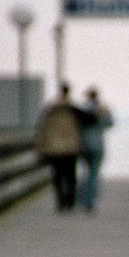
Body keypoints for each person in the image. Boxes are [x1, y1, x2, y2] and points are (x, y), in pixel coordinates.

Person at [36, 83, 84, 211]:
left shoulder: (50, 109)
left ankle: (60, 202)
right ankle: (70, 202)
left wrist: (41, 149)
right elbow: (87, 124)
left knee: (57, 176)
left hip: (54, 148)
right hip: (70, 148)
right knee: (71, 176)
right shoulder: (73, 108)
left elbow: (42, 130)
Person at [79, 86, 114, 212]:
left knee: (85, 172)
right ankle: (91, 201)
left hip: (84, 144)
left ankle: (82, 199)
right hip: (98, 144)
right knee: (94, 174)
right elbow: (110, 123)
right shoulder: (103, 109)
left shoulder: (84, 110)